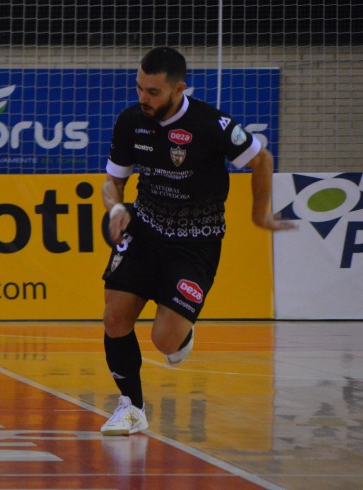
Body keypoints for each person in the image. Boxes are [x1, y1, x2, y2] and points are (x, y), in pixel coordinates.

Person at [99, 47, 294, 436]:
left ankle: (180, 332)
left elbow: (262, 160)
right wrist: (117, 207)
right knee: (115, 318)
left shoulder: (211, 124)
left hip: (196, 242)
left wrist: (259, 214)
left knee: (164, 341)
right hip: (145, 229)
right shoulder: (129, 122)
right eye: (140, 88)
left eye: (153, 92)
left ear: (178, 89)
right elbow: (113, 181)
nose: (143, 98)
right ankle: (131, 407)